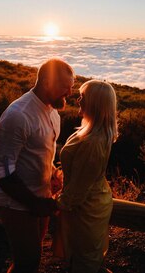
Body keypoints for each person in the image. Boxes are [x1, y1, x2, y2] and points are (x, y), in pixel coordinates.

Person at [0, 58, 75, 273]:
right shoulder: (18, 115)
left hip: (40, 200)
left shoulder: (53, 112)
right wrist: (35, 203)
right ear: (46, 82)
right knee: (29, 262)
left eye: (71, 87)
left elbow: (38, 154)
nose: (70, 93)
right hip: (16, 204)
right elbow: (0, 171)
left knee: (27, 261)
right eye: (65, 87)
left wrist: (53, 173)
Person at [54, 80, 117, 273]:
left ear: (95, 104)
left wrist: (55, 204)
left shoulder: (93, 142)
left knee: (85, 260)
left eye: (83, 96)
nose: (78, 99)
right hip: (86, 203)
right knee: (82, 256)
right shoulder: (90, 132)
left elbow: (80, 187)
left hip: (87, 209)